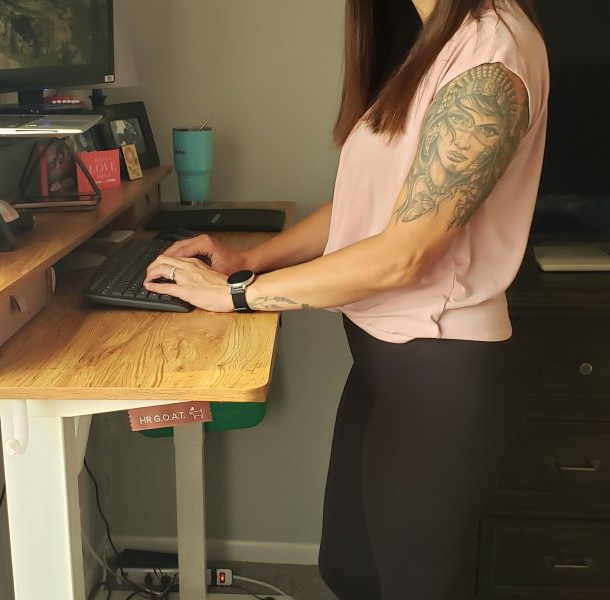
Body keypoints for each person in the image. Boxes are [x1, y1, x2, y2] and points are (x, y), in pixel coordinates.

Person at [145, 0, 547, 598]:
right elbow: (373, 201)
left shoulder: (492, 56)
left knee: (415, 586)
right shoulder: (436, 41)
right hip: (384, 357)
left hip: (440, 366)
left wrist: (237, 295)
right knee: (350, 569)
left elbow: (403, 254)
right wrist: (250, 259)